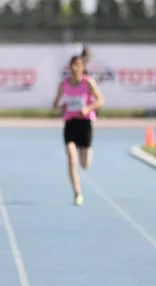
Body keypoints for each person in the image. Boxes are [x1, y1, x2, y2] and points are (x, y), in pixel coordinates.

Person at [53, 55, 104, 206]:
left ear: (82, 67)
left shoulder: (88, 82)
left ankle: (87, 152)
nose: (75, 68)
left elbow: (100, 100)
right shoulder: (64, 85)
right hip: (70, 123)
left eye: (78, 65)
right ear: (69, 67)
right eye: (73, 65)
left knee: (84, 164)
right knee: (71, 157)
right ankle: (77, 192)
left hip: (85, 123)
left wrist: (88, 108)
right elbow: (55, 104)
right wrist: (60, 106)